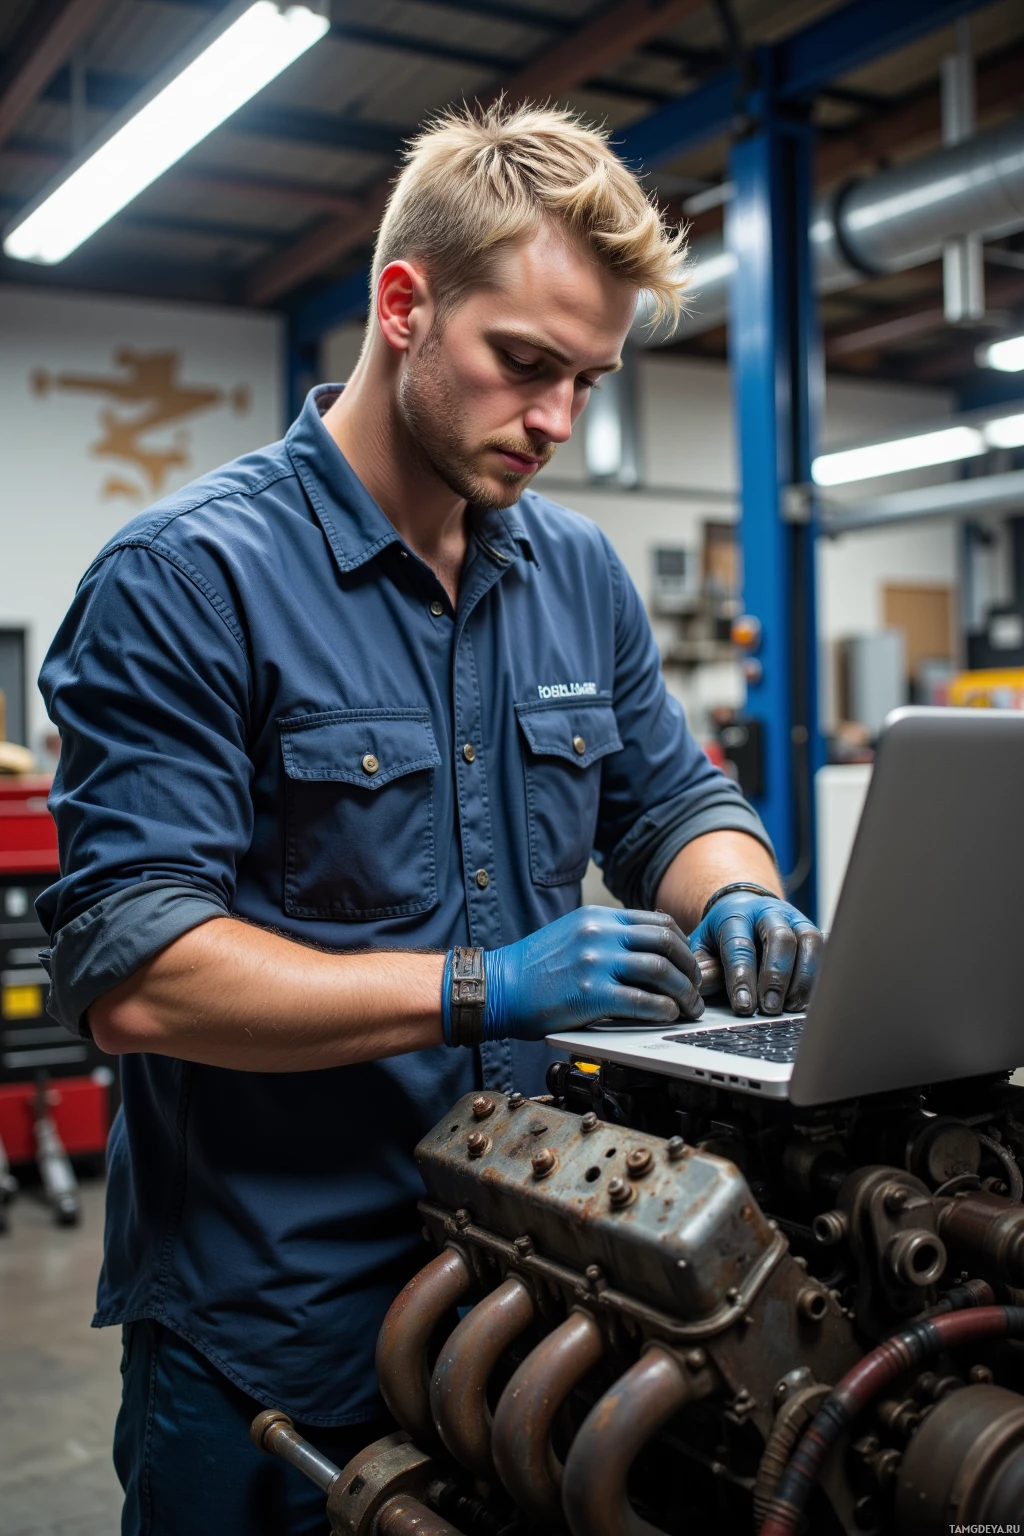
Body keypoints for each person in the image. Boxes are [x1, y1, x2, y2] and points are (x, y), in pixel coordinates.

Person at [38, 102, 822, 1535]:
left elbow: (679, 801)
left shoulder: (577, 575)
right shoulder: (186, 580)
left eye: (587, 381)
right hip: (268, 1327)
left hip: (536, 1286)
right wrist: (485, 985)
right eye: (523, 365)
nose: (556, 423)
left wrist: (737, 891)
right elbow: (143, 980)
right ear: (405, 305)